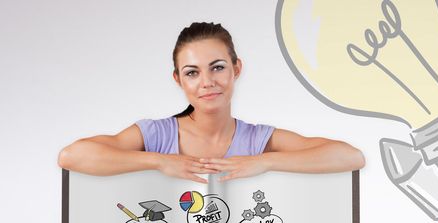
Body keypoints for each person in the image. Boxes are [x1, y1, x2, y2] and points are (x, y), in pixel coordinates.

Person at [58, 22, 364, 183]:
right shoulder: (155, 135)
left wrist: (264, 161)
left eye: (217, 67)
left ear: (237, 69)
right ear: (178, 79)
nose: (207, 82)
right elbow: (72, 156)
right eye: (192, 72)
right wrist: (159, 161)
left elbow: (349, 157)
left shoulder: (258, 140)